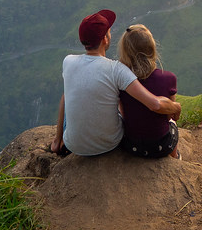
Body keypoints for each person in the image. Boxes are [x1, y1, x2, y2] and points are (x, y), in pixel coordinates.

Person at [50, 9, 180, 157]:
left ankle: (57, 142)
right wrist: (175, 106)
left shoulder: (68, 61)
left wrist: (58, 139)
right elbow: (154, 104)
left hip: (74, 145)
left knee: (68, 95)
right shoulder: (117, 69)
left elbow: (66, 98)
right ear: (105, 39)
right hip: (109, 144)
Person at [117, 24, 180, 159]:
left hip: (131, 146)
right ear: (152, 49)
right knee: (173, 124)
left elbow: (123, 113)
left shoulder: (121, 81)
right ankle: (174, 156)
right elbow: (169, 116)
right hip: (161, 147)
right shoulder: (168, 78)